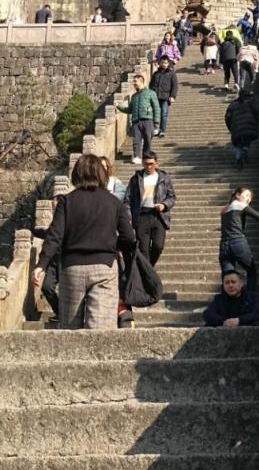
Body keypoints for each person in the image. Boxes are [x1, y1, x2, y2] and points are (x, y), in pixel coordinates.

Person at [31, 154, 135, 329]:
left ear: (77, 174)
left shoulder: (66, 201)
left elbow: (55, 235)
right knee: (100, 330)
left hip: (72, 268)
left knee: (70, 329)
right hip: (105, 268)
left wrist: (42, 264)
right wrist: (115, 247)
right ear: (102, 174)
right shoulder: (114, 202)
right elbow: (129, 237)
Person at [125, 151, 176, 266]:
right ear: (143, 163)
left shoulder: (164, 178)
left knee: (158, 246)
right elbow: (128, 199)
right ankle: (148, 274)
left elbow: (172, 197)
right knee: (144, 250)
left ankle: (148, 270)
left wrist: (164, 205)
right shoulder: (136, 179)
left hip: (159, 216)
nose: (149, 166)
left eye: (151, 164)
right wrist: (129, 216)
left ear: (156, 163)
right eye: (146, 164)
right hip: (142, 215)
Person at [219, 187, 259, 295]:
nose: (248, 199)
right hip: (238, 242)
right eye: (246, 195)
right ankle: (249, 299)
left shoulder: (225, 209)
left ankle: (227, 305)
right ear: (237, 195)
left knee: (227, 276)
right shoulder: (240, 205)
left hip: (224, 245)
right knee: (251, 271)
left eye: (250, 197)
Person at [116, 74, 161, 165]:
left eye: (135, 81)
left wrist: (156, 122)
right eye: (133, 81)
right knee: (136, 140)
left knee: (148, 139)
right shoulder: (134, 96)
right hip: (136, 121)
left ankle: (146, 156)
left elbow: (156, 107)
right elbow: (129, 109)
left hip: (148, 120)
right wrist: (118, 106)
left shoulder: (151, 93)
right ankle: (137, 156)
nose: (134, 83)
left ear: (141, 81)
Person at [225, 89, 259, 169]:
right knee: (246, 140)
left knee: (237, 143)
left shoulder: (232, 105)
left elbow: (227, 117)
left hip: (236, 128)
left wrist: (231, 128)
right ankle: (244, 152)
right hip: (249, 127)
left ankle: (239, 158)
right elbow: (258, 110)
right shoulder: (251, 102)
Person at [149, 55, 178, 138]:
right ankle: (156, 129)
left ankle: (162, 130)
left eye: (165, 63)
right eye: (162, 62)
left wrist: (172, 96)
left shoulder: (171, 74)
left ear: (168, 63)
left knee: (164, 114)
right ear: (159, 63)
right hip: (155, 97)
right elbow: (151, 85)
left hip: (165, 97)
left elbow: (175, 86)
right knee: (155, 113)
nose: (164, 64)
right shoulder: (156, 74)